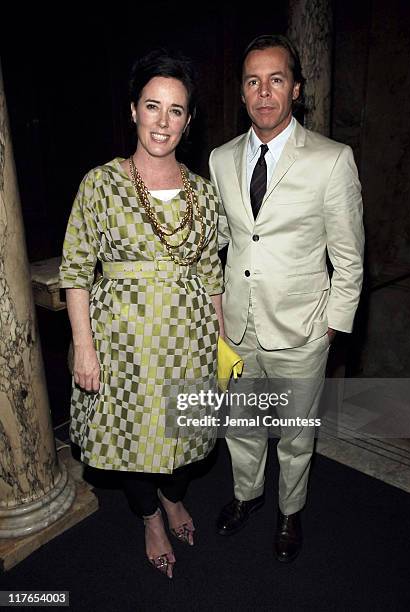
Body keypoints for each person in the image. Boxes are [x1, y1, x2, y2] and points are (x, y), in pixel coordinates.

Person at [59, 49, 224, 578]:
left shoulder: (202, 193)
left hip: (190, 341)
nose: (163, 121)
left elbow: (212, 274)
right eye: (153, 107)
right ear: (133, 110)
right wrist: (84, 345)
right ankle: (150, 516)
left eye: (176, 111)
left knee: (187, 444)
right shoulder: (100, 185)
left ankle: (173, 497)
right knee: (128, 443)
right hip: (120, 343)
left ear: (189, 121)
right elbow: (76, 269)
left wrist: (223, 345)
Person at [209, 34, 364, 562]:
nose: (264, 91)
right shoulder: (221, 158)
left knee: (296, 437)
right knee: (243, 427)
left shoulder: (331, 159)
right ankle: (246, 496)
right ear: (243, 93)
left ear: (296, 89)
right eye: (253, 81)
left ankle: (289, 511)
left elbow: (349, 258)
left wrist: (333, 328)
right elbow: (226, 240)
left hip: (302, 329)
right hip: (238, 326)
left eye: (276, 79)